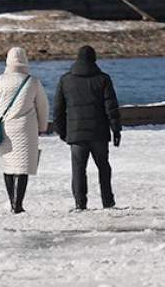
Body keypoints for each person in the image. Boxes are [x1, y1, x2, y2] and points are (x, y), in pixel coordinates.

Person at [0, 47, 50, 214]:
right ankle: (18, 204)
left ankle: (11, 201)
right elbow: (43, 106)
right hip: (26, 128)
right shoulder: (33, 81)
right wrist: (42, 126)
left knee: (9, 165)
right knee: (23, 167)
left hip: (5, 128)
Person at [52, 45, 121, 211]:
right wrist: (116, 129)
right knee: (104, 167)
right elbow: (111, 107)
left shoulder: (65, 79)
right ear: (94, 59)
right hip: (99, 132)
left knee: (78, 169)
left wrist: (62, 131)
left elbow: (58, 109)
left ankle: (80, 203)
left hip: (76, 134)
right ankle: (107, 200)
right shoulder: (103, 79)